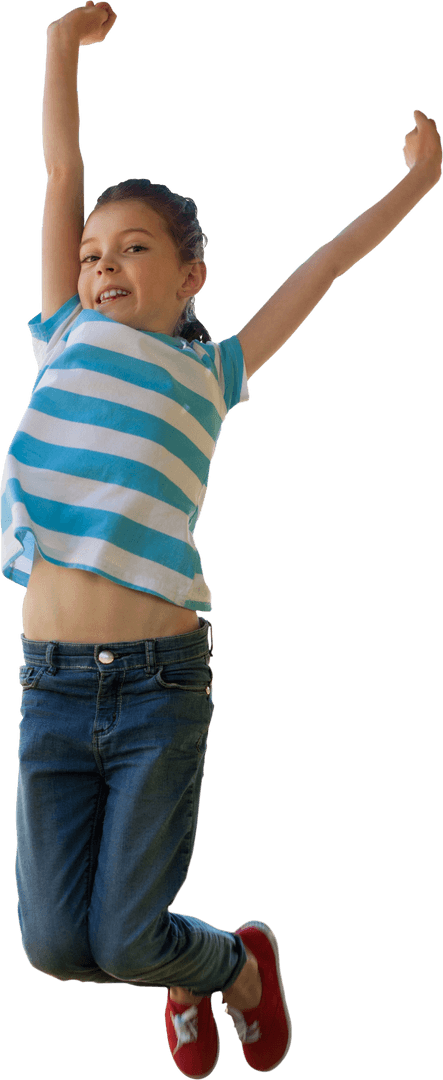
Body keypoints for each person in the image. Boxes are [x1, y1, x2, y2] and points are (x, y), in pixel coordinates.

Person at [1, 3, 440, 1078]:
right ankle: (210, 971)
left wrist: (418, 182)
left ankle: (239, 970)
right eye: (93, 252)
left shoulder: (214, 374)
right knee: (60, 947)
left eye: (133, 250)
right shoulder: (62, 333)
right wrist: (57, 49)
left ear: (190, 277)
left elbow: (326, 265)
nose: (102, 265)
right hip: (51, 686)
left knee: (122, 937)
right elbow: (63, 174)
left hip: (158, 687)